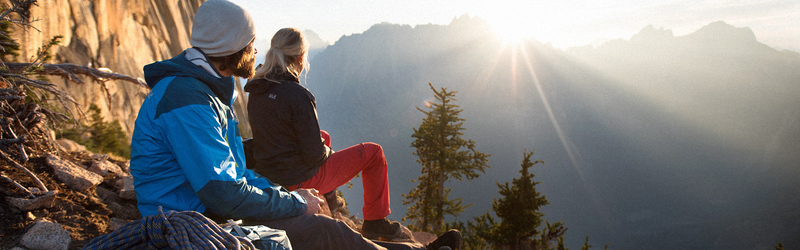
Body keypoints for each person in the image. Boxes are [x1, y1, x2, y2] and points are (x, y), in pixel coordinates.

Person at [130, 1, 461, 250]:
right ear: (234, 47)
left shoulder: (208, 92)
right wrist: (296, 201)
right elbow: (224, 194)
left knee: (322, 227)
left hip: (206, 206)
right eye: (251, 43)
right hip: (195, 218)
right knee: (322, 230)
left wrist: (285, 195)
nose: (255, 49)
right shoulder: (190, 102)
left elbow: (235, 173)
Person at [244, 27, 406, 241]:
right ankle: (375, 222)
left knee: (324, 135)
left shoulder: (257, 88)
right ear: (301, 57)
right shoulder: (299, 95)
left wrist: (323, 145)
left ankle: (332, 202)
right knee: (374, 153)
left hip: (271, 173)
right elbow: (314, 155)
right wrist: (329, 152)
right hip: (298, 179)